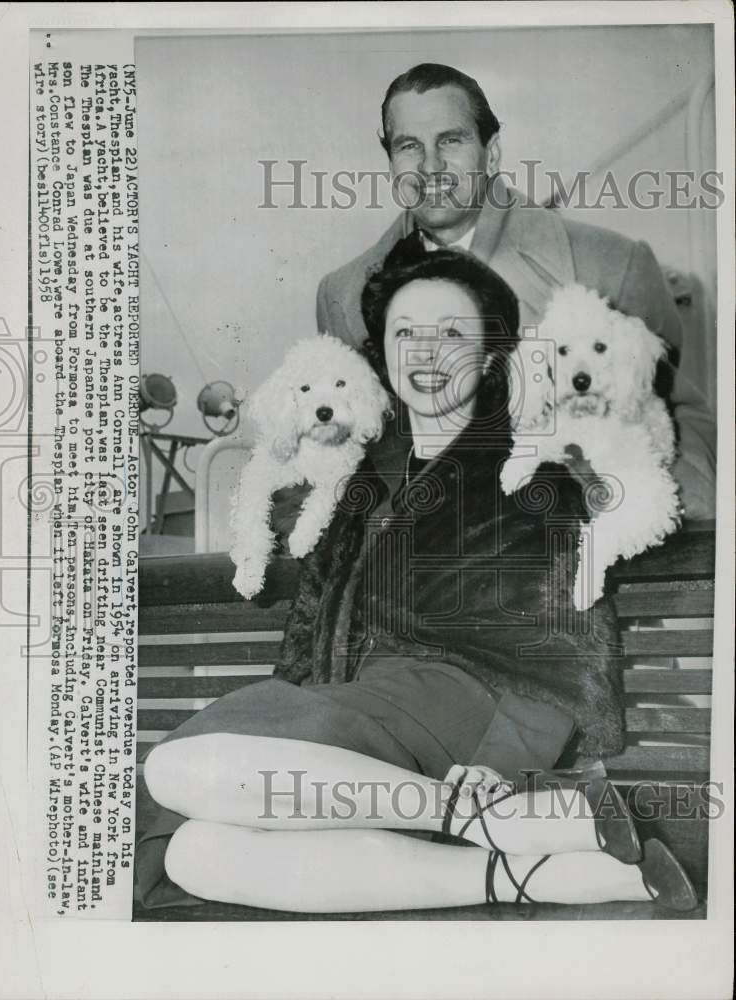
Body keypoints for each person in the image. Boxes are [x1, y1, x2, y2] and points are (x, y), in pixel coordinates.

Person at [135, 239, 697, 914]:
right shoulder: (361, 473)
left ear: (492, 353)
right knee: (195, 853)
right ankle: (539, 870)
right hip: (356, 718)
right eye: (405, 334)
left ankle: (480, 814)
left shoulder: (533, 463)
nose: (425, 353)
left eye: (452, 335)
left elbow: (567, 634)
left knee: (173, 768)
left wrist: (505, 764)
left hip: (457, 714)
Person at [317, 63, 716, 521]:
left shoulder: (611, 265)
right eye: (409, 146)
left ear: (491, 153)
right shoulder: (343, 296)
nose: (430, 166)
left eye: (451, 140)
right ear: (391, 162)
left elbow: (681, 417)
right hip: (418, 567)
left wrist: (647, 518)